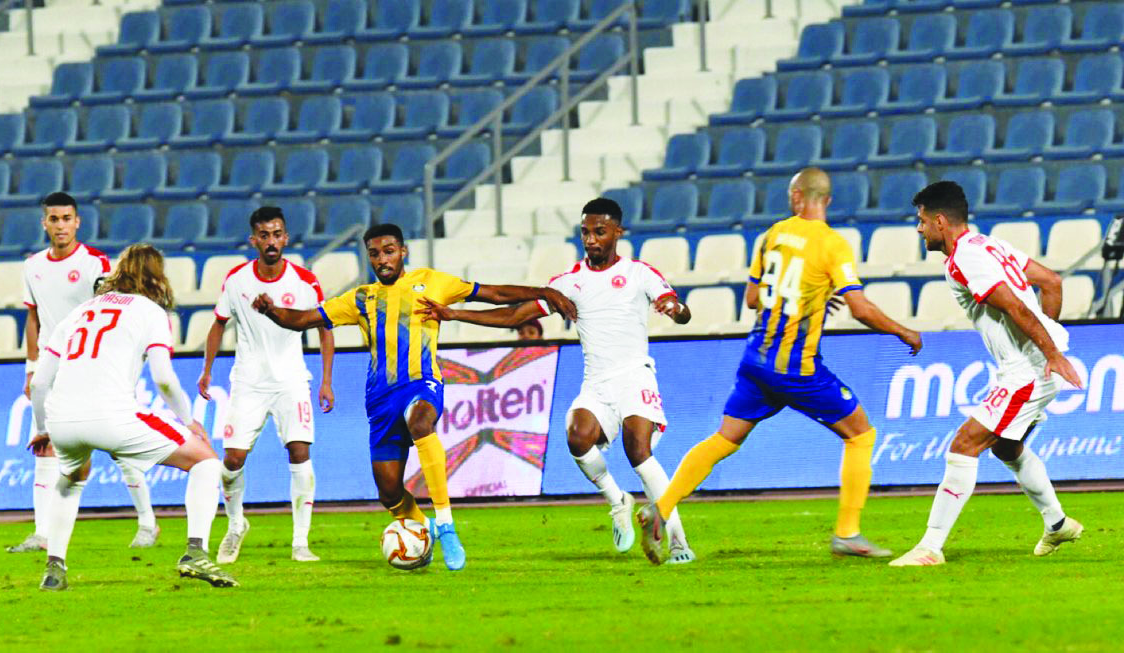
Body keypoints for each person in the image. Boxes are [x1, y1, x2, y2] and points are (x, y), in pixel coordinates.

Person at [636, 167, 923, 564]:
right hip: (795, 368)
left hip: (755, 359)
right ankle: (847, 532)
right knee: (860, 434)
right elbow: (859, 306)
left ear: (796, 196)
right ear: (827, 199)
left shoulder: (771, 235)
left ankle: (661, 509)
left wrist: (813, 297)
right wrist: (903, 331)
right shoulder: (832, 244)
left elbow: (753, 299)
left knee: (724, 439)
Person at [250, 223, 576, 571]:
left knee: (421, 422)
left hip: (422, 383)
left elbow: (492, 294)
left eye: (388, 251)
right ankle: (424, 530)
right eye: (374, 253)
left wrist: (545, 292)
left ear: (402, 252)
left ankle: (446, 524)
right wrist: (271, 311)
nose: (382, 259)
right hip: (379, 400)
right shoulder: (360, 298)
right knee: (389, 492)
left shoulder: (432, 282)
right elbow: (303, 319)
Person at [417, 197, 697, 563]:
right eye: (586, 232)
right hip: (596, 384)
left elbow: (683, 313)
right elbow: (515, 315)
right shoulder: (569, 284)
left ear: (618, 232)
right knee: (578, 437)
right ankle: (618, 500)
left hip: (634, 376)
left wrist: (674, 308)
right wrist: (455, 314)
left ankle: (678, 542)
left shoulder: (640, 274)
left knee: (637, 448)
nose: (592, 239)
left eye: (600, 231)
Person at [889, 181, 1084, 566]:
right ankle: (1057, 523)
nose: (919, 229)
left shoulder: (966, 258)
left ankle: (929, 548)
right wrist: (1045, 347)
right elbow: (1052, 282)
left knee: (964, 445)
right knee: (1006, 447)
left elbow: (1015, 306)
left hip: (1026, 372)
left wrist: (1046, 353)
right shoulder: (988, 244)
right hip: (1031, 365)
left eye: (922, 221)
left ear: (940, 221)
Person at [29, 244, 236, 591]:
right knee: (206, 462)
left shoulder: (79, 312)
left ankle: (54, 567)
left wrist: (41, 430)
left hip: (62, 419)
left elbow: (39, 383)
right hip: (113, 416)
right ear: (157, 276)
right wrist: (188, 421)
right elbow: (164, 378)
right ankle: (196, 552)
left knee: (71, 480)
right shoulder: (150, 311)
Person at [10, 192, 158, 554]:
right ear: (44, 223)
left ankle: (147, 522)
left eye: (66, 218)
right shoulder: (32, 266)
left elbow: (108, 308)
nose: (60, 225)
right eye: (54, 219)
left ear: (77, 222)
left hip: (90, 364)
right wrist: (33, 368)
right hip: (52, 361)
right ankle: (42, 534)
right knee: (44, 446)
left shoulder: (94, 262)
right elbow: (33, 318)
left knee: (120, 445)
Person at [197, 206, 335, 564]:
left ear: (285, 238)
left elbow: (324, 328)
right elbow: (218, 323)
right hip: (248, 382)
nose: (271, 241)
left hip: (291, 380)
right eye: (264, 235)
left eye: (277, 234)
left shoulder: (304, 281)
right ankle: (236, 524)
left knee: (300, 452)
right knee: (232, 460)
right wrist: (207, 369)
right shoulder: (237, 280)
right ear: (253, 239)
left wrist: (326, 380)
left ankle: (300, 542)